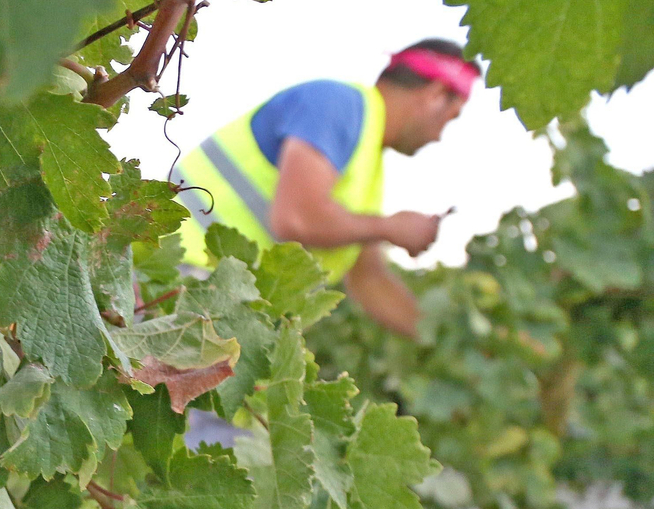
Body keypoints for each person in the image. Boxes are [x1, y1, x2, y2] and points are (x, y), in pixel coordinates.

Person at [176, 39, 479, 338]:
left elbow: (371, 280)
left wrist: (450, 343)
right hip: (176, 280)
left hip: (208, 299)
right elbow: (296, 218)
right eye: (451, 118)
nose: (439, 136)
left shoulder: (366, 161)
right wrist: (391, 227)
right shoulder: (338, 105)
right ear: (437, 94)